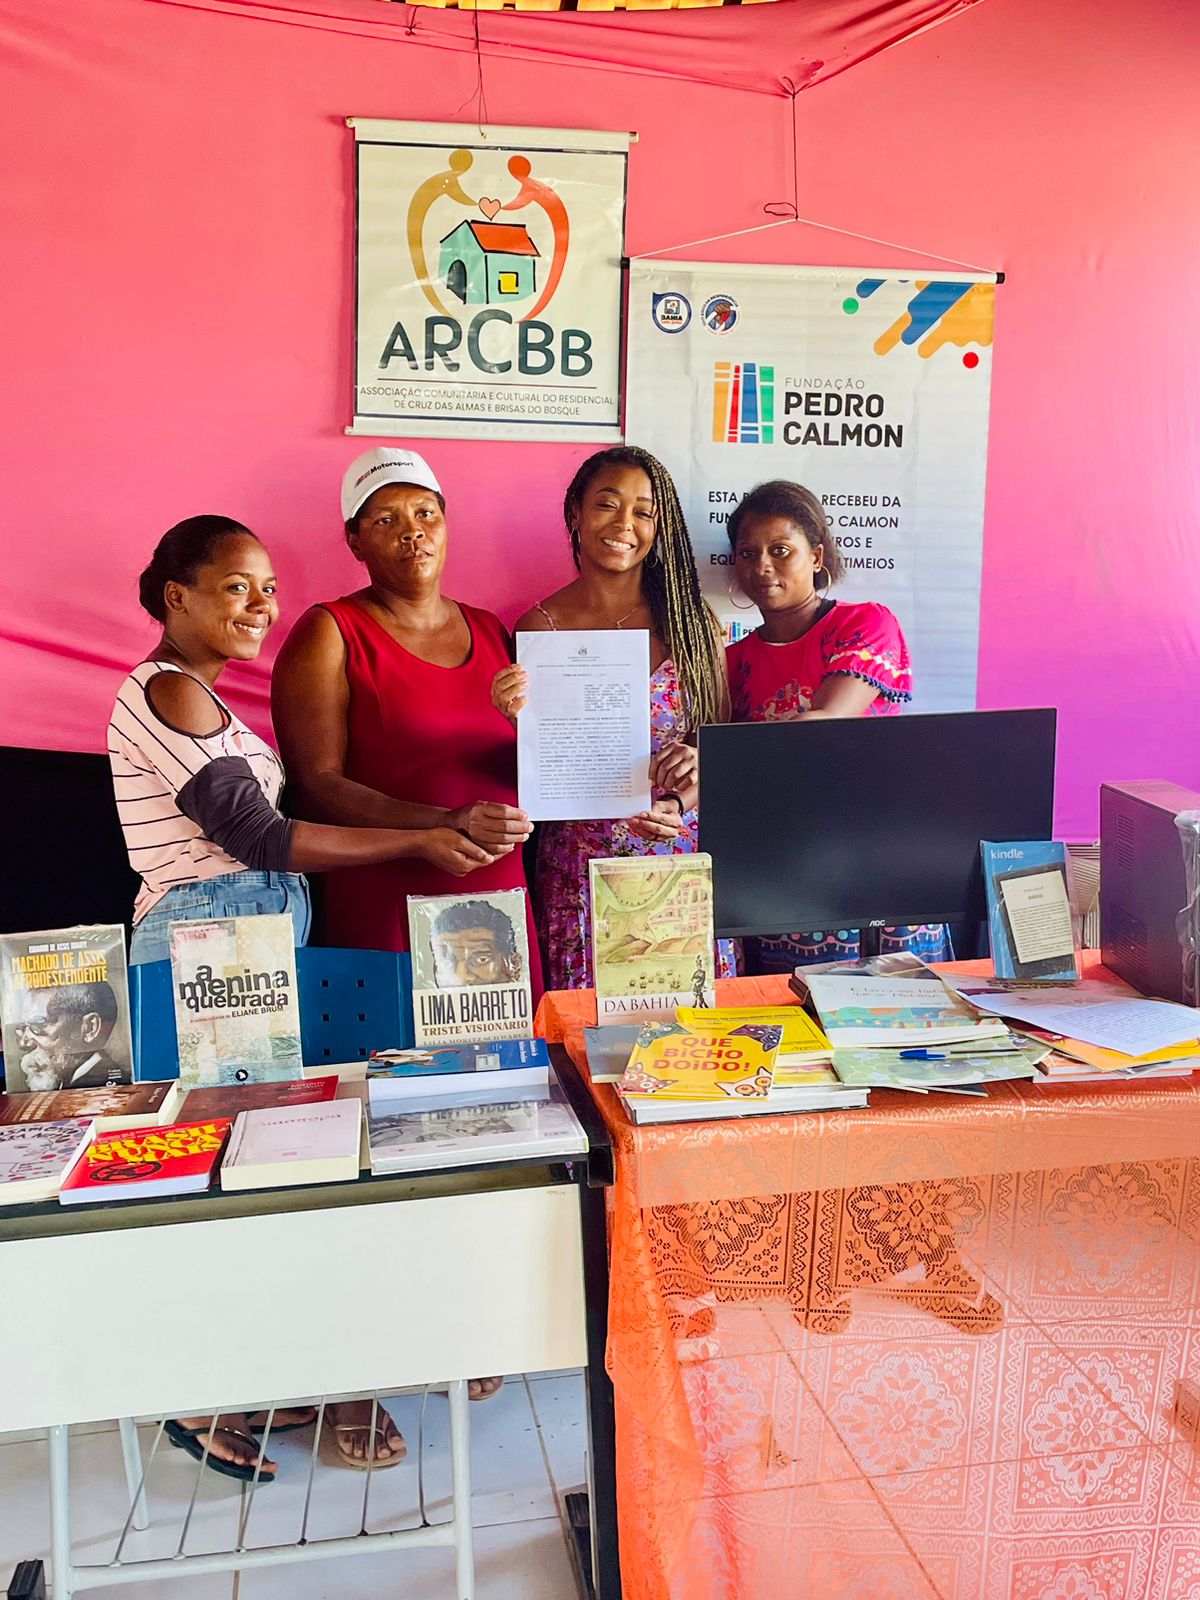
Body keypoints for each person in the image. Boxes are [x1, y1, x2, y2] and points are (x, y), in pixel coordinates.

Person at [110, 513, 491, 1480]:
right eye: (236, 587)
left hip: (245, 946)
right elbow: (259, 837)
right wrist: (420, 837)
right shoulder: (168, 690)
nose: (260, 605)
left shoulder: (198, 696)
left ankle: (256, 1377)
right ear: (176, 597)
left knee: (255, 1169)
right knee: (224, 1175)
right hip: (213, 950)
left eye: (268, 588)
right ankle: (200, 1397)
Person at [271, 447, 539, 1002]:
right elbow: (314, 787)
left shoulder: (492, 630)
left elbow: (522, 768)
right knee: (390, 1050)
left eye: (425, 514)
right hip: (385, 899)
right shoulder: (330, 631)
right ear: (355, 541)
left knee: (504, 1053)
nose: (412, 532)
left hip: (495, 899)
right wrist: (440, 824)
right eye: (385, 520)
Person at [491, 445, 733, 991]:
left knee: (689, 1026)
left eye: (644, 512)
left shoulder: (691, 622)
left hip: (676, 851)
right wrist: (512, 718)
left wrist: (682, 795)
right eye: (607, 504)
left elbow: (716, 746)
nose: (624, 524)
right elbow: (542, 757)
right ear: (575, 512)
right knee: (589, 1027)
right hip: (579, 868)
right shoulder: (540, 627)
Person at [724, 479, 951, 969]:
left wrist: (730, 754)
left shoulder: (865, 623)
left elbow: (821, 726)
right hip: (780, 876)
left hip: (881, 867)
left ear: (816, 556)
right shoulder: (731, 662)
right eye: (747, 553)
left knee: (899, 1017)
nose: (762, 566)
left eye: (780, 550)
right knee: (787, 1015)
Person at [14, 983, 126, 1091]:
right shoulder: (65, 1080)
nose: (23, 1043)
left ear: (90, 1028)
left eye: (38, 1026)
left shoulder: (115, 1089)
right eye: (22, 1028)